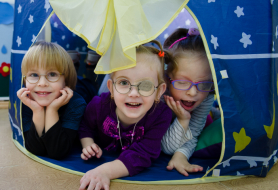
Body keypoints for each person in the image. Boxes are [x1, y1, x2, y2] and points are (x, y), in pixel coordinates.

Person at [78, 41, 172, 190]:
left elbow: (143, 154)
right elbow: (85, 126)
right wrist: (88, 143)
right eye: (123, 82)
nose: (133, 93)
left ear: (159, 92)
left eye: (146, 85)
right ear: (111, 88)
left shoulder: (160, 115)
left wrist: (105, 171)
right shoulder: (98, 106)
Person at [17, 41, 87, 160]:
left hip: (84, 89)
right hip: (54, 91)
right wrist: (37, 111)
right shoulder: (25, 101)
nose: (42, 83)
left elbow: (58, 152)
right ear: (24, 80)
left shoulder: (77, 104)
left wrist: (52, 111)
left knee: (88, 85)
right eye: (34, 75)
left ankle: (78, 65)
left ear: (66, 79)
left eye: (52, 74)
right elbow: (35, 149)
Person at [161, 28, 215, 176]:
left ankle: (214, 113)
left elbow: (194, 133)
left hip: (198, 116)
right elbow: (165, 147)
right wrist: (183, 119)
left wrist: (181, 155)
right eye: (183, 82)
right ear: (166, 78)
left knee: (207, 121)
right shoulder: (158, 95)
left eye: (203, 83)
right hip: (173, 123)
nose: (193, 92)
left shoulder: (206, 95)